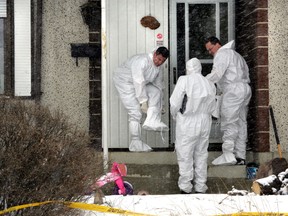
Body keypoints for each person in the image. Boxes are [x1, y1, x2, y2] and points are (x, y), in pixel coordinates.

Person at [170, 58, 216, 194]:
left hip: (188, 121)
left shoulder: (184, 80)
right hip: (205, 121)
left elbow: (175, 102)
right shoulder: (209, 83)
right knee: (201, 153)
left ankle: (185, 186)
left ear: (188, 68)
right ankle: (201, 185)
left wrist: (175, 115)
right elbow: (213, 105)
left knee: (185, 153)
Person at [205, 36, 252, 165]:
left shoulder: (222, 54)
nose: (210, 52)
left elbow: (217, 74)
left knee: (229, 121)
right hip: (245, 89)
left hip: (232, 90)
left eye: (210, 49)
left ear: (217, 44)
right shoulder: (237, 55)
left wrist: (201, 82)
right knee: (241, 122)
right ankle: (240, 156)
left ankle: (228, 154)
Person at [113, 47, 169, 152]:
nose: (159, 62)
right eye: (159, 59)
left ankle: (152, 120)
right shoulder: (142, 61)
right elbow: (138, 81)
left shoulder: (158, 67)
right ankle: (135, 143)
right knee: (135, 113)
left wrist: (162, 104)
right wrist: (143, 101)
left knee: (156, 92)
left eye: (163, 61)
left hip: (139, 83)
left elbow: (159, 85)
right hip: (124, 82)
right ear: (155, 54)